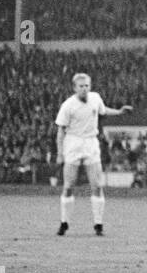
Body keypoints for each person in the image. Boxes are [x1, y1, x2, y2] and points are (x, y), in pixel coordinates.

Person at [54, 73, 132, 236]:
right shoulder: (68, 105)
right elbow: (60, 130)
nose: (84, 89)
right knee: (69, 186)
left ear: (90, 86)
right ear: (75, 88)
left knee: (96, 185)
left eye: (87, 86)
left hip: (91, 142)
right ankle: (64, 223)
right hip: (73, 142)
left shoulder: (95, 98)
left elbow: (103, 110)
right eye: (81, 86)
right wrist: (60, 153)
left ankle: (98, 224)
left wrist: (118, 112)